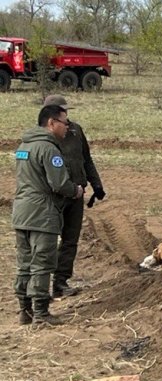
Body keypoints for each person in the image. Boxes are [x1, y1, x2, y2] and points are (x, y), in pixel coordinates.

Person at [12, 105, 84, 326]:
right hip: (42, 213)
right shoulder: (49, 149)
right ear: (51, 123)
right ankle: (41, 313)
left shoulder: (24, 146)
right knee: (43, 263)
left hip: (21, 212)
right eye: (64, 122)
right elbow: (59, 183)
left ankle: (25, 311)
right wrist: (76, 190)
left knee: (25, 263)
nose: (67, 127)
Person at [43, 95, 105, 298]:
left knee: (70, 239)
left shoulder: (76, 131)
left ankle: (60, 282)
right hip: (54, 196)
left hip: (77, 194)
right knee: (48, 240)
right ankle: (42, 285)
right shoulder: (44, 137)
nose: (65, 116)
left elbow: (86, 159)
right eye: (61, 111)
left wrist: (96, 184)